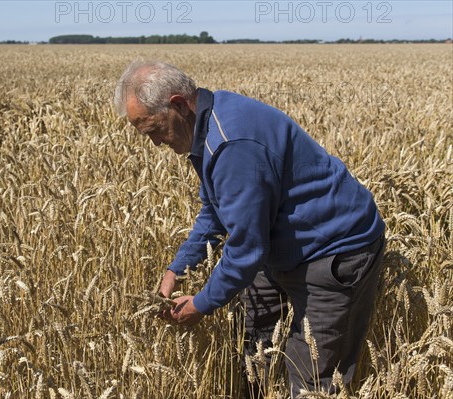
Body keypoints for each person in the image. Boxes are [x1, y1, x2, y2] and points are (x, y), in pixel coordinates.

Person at [114, 61, 385, 398]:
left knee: (313, 378)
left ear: (180, 105)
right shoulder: (207, 121)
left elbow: (246, 249)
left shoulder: (231, 143)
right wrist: (176, 269)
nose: (155, 143)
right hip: (280, 241)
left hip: (335, 249)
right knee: (257, 353)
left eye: (154, 129)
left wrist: (200, 304)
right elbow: (215, 211)